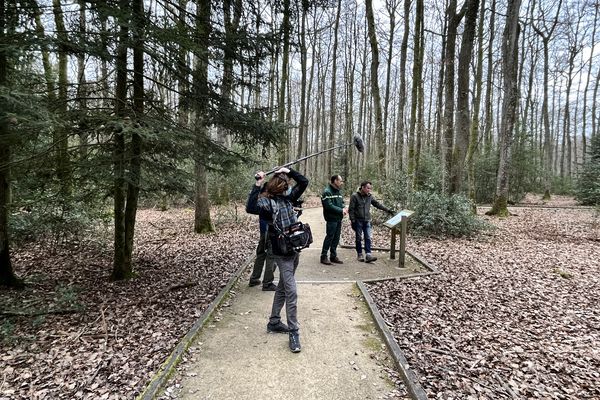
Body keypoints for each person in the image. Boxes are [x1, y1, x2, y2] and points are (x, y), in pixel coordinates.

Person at [246, 167, 309, 353]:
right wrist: (258, 183)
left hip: (294, 249)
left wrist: (290, 171)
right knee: (291, 291)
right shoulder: (267, 203)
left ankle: (274, 322)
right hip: (281, 252)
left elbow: (304, 182)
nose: (289, 188)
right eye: (286, 185)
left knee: (283, 286)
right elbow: (250, 207)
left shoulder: (288, 198)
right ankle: (294, 332)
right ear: (279, 188)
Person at [348, 181, 394, 263]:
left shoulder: (369, 196)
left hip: (367, 220)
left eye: (370, 188)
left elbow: (377, 204)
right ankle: (359, 254)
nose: (369, 190)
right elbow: (351, 209)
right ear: (362, 187)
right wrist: (353, 220)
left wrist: (387, 210)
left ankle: (368, 255)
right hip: (358, 220)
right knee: (358, 238)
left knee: (368, 237)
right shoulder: (354, 196)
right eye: (368, 188)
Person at [246, 185, 277, 291]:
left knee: (261, 254)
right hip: (270, 232)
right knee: (271, 256)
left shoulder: (264, 201)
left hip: (264, 232)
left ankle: (254, 278)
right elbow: (250, 208)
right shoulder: (266, 202)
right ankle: (267, 283)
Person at [320, 175, 347, 265]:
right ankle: (323, 256)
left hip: (339, 218)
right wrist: (341, 210)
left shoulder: (338, 191)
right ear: (335, 181)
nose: (341, 183)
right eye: (340, 181)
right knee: (330, 237)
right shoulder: (327, 192)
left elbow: (341, 202)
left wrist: (344, 207)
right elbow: (328, 206)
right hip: (331, 219)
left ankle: (333, 255)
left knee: (336, 238)